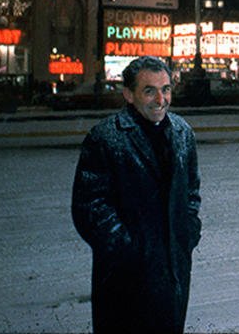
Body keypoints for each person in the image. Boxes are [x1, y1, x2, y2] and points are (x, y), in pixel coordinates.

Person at [72, 56, 202, 333]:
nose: (160, 99)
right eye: (149, 90)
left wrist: (188, 232)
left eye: (166, 89)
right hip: (125, 276)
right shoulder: (106, 138)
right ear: (129, 95)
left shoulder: (182, 133)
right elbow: (90, 207)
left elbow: (191, 191)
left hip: (173, 270)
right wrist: (127, 249)